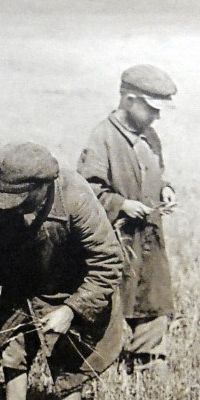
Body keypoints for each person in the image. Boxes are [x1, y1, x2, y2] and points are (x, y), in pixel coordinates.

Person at [0, 142, 124, 400]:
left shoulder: (76, 198)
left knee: (71, 361)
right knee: (12, 349)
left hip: (74, 284)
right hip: (24, 279)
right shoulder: (4, 197)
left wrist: (72, 309)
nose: (12, 206)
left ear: (44, 186)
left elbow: (109, 263)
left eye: (21, 200)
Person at [77, 65, 178, 372]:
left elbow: (156, 175)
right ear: (130, 99)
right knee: (118, 305)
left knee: (155, 302)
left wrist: (166, 190)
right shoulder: (102, 137)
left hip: (150, 240)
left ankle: (150, 368)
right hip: (118, 242)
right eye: (151, 109)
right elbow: (87, 190)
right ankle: (118, 371)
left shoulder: (150, 137)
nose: (156, 117)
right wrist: (121, 204)